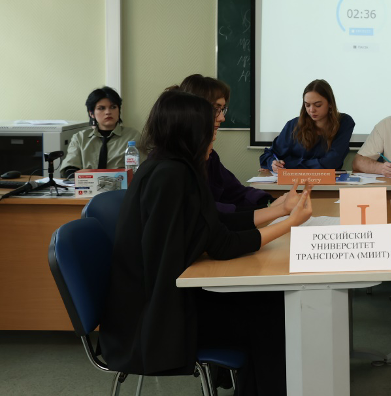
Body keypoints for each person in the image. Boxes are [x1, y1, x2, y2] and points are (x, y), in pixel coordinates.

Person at [99, 89, 313, 395]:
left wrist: (280, 211)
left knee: (268, 304)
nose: (214, 136)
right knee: (271, 314)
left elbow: (213, 225)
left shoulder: (170, 166)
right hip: (155, 320)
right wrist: (289, 223)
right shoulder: (172, 176)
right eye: (209, 130)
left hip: (161, 301)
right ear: (189, 134)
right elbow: (222, 244)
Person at [174, 74, 274, 213]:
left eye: (222, 110)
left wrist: (270, 202)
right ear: (194, 110)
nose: (222, 118)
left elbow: (236, 192)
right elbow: (205, 211)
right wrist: (268, 211)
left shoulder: (210, 156)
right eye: (216, 109)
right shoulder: (172, 165)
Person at [259, 79, 355, 171]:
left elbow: (331, 163)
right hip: (293, 179)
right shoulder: (293, 125)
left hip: (328, 180)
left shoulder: (344, 122)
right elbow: (268, 155)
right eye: (307, 105)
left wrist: (289, 164)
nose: (311, 110)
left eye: (318, 105)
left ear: (330, 103)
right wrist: (273, 163)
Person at [59, 86, 141, 178]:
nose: (108, 112)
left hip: (122, 185)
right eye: (101, 108)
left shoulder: (133, 136)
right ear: (91, 113)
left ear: (119, 110)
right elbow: (69, 169)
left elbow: (142, 170)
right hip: (86, 185)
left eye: (113, 107)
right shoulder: (80, 138)